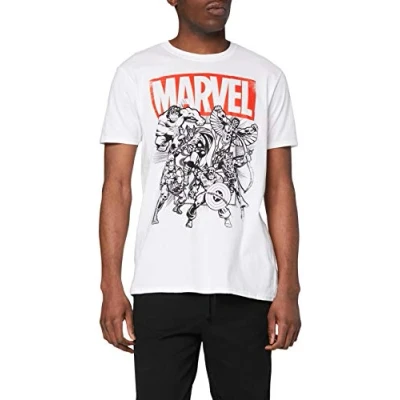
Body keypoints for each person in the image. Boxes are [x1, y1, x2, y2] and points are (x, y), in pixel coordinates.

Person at [99, 0, 301, 399]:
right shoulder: (136, 72)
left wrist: (289, 288)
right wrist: (110, 285)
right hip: (161, 285)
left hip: (246, 287)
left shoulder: (266, 75)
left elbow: (280, 188)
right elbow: (117, 186)